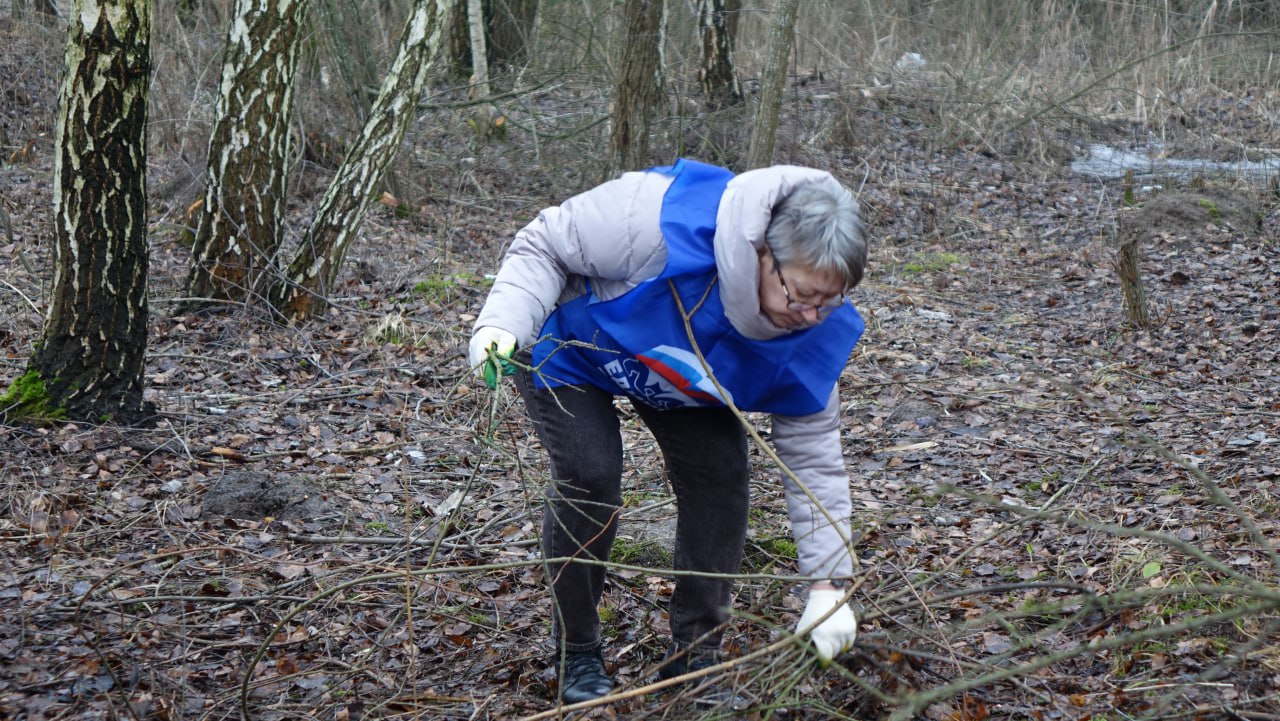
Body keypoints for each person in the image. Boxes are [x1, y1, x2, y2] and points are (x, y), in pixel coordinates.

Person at [468, 158, 868, 705]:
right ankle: (577, 652)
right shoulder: (653, 220)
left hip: (675, 372)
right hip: (572, 344)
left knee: (721, 474)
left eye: (830, 301)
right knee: (591, 473)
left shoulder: (811, 334)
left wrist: (828, 585)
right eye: (799, 295)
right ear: (761, 253)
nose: (809, 316)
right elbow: (544, 242)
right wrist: (502, 325)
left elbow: (816, 462)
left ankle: (695, 660)